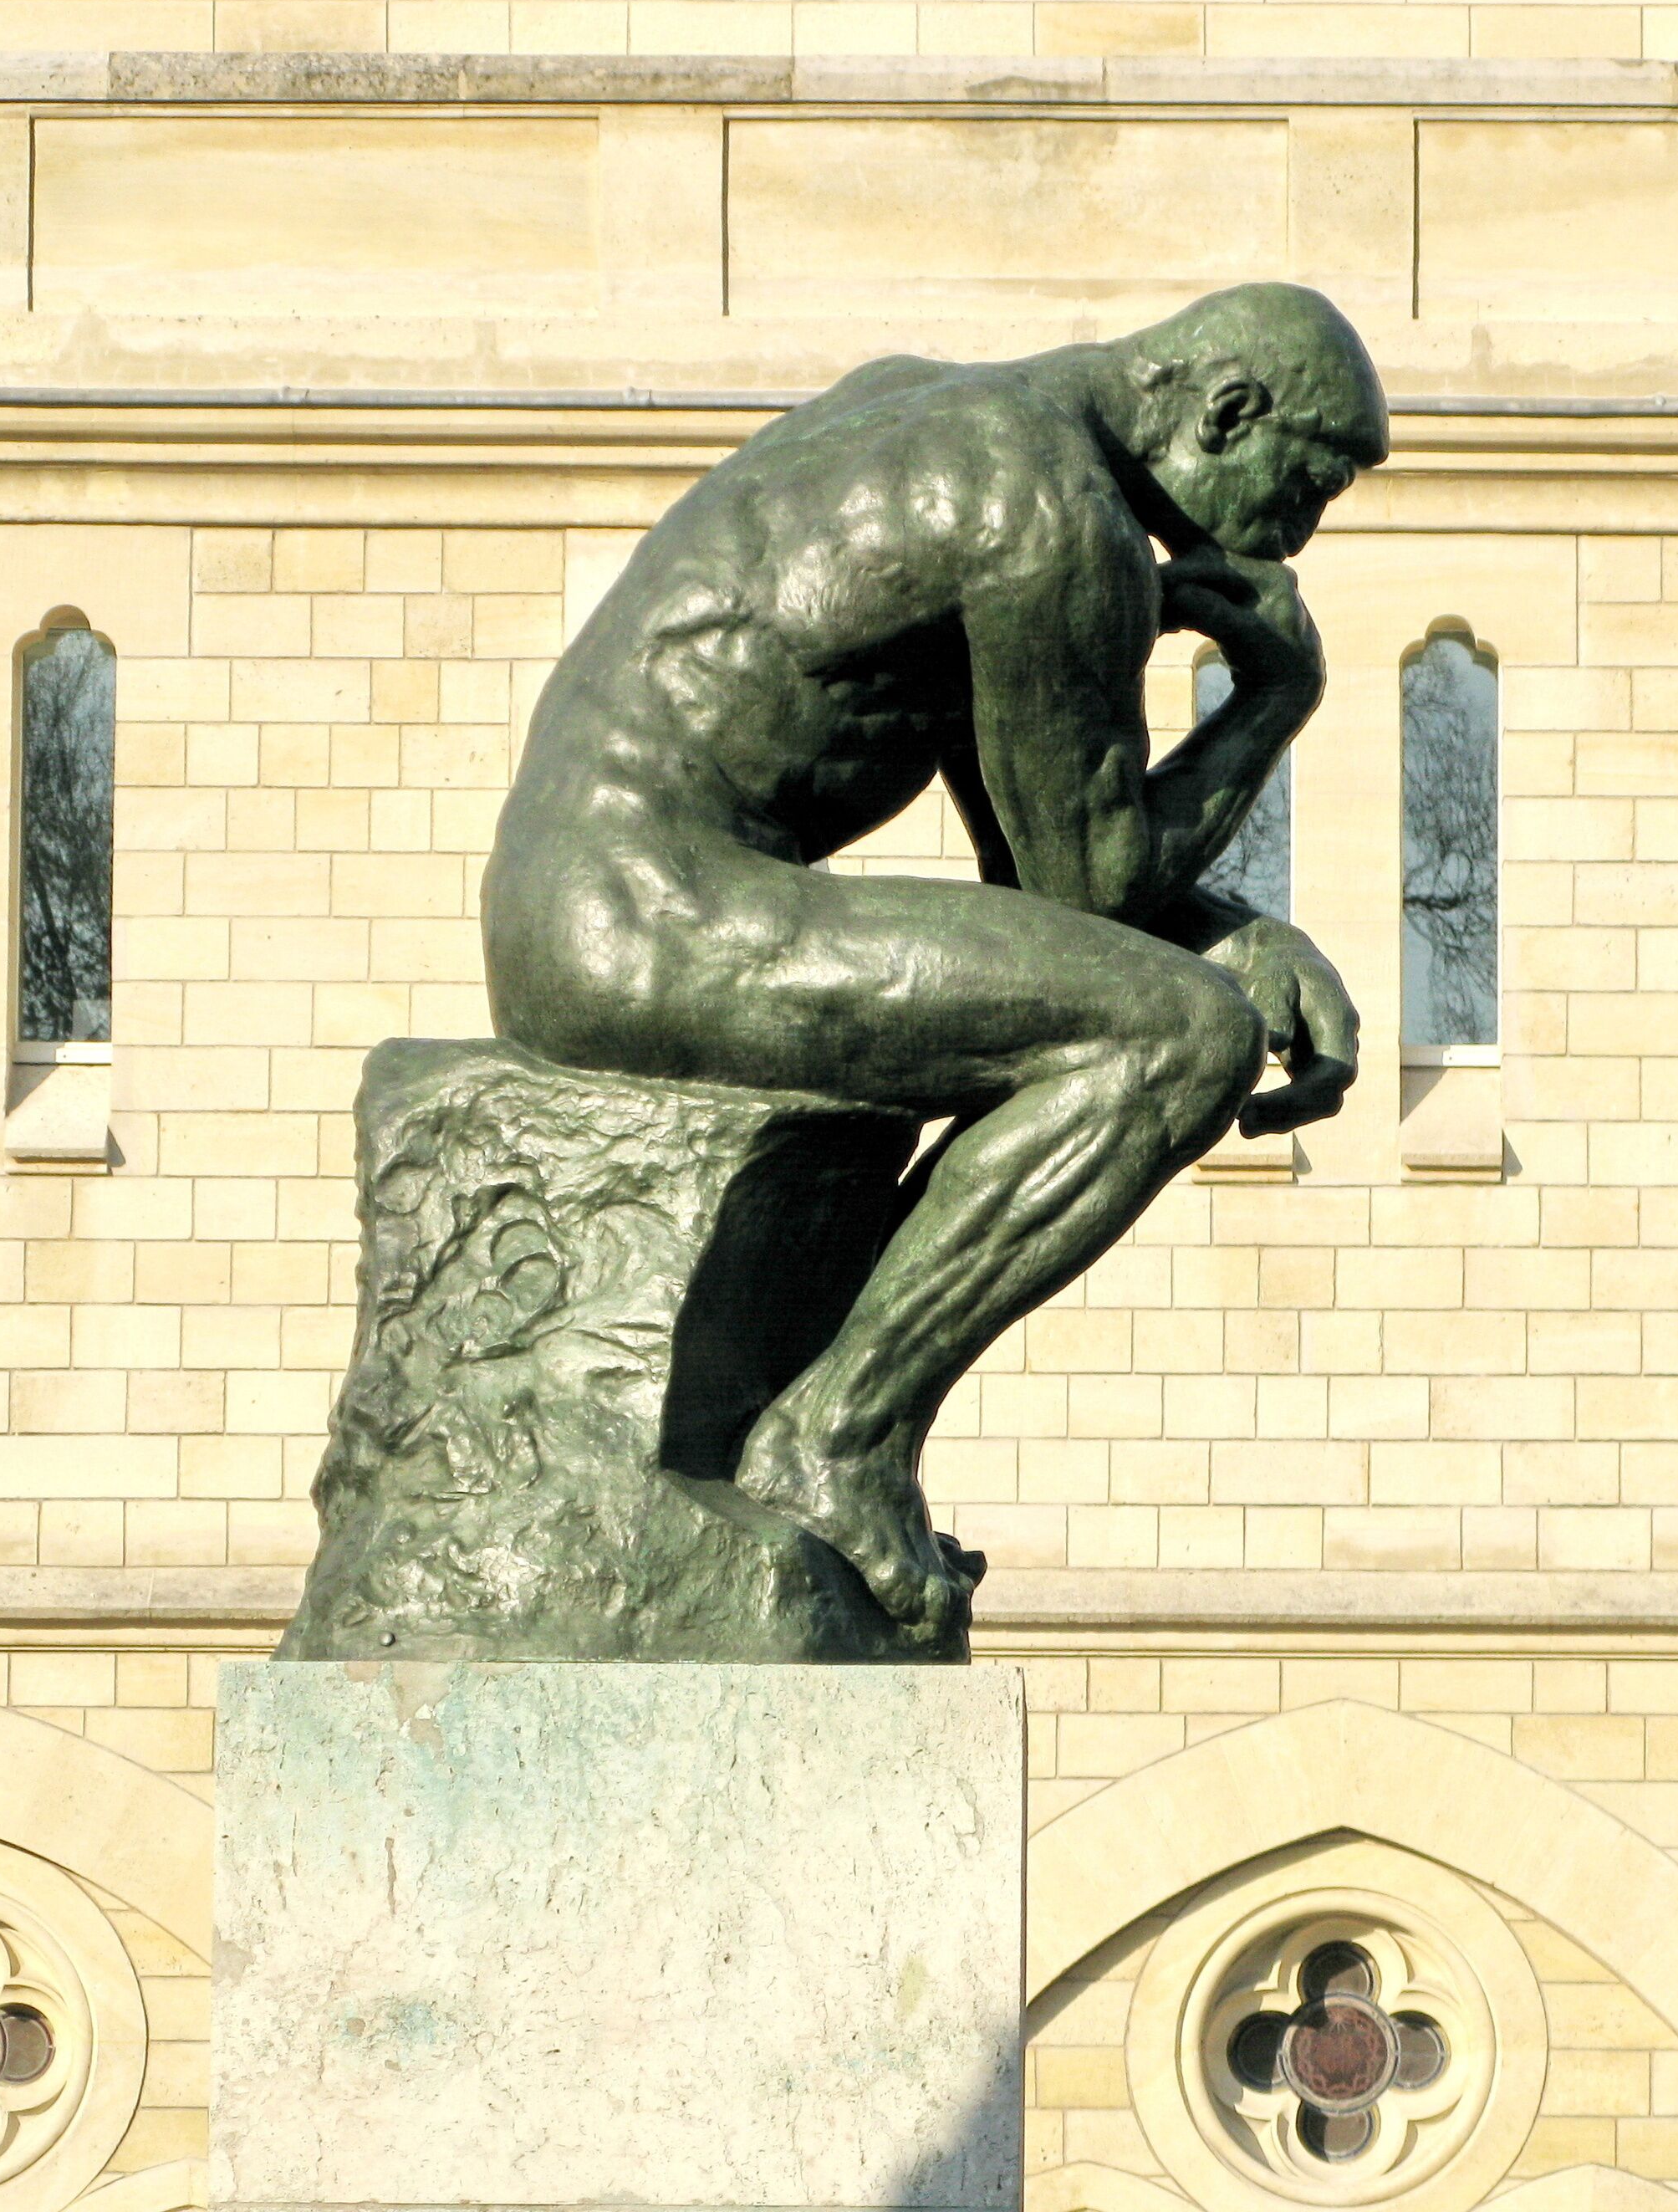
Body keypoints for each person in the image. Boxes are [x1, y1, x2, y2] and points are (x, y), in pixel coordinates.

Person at [482, 283, 1387, 1631]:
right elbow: (1090, 886)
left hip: (585, 897)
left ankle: (820, 1421)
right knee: (1179, 1041)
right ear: (1225, 412)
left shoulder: (934, 407)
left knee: (1151, 1005)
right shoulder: (1052, 513)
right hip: (645, 914)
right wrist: (1273, 700)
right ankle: (837, 1439)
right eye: (1303, 486)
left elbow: (1046, 876)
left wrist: (1233, 930)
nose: (1296, 537)